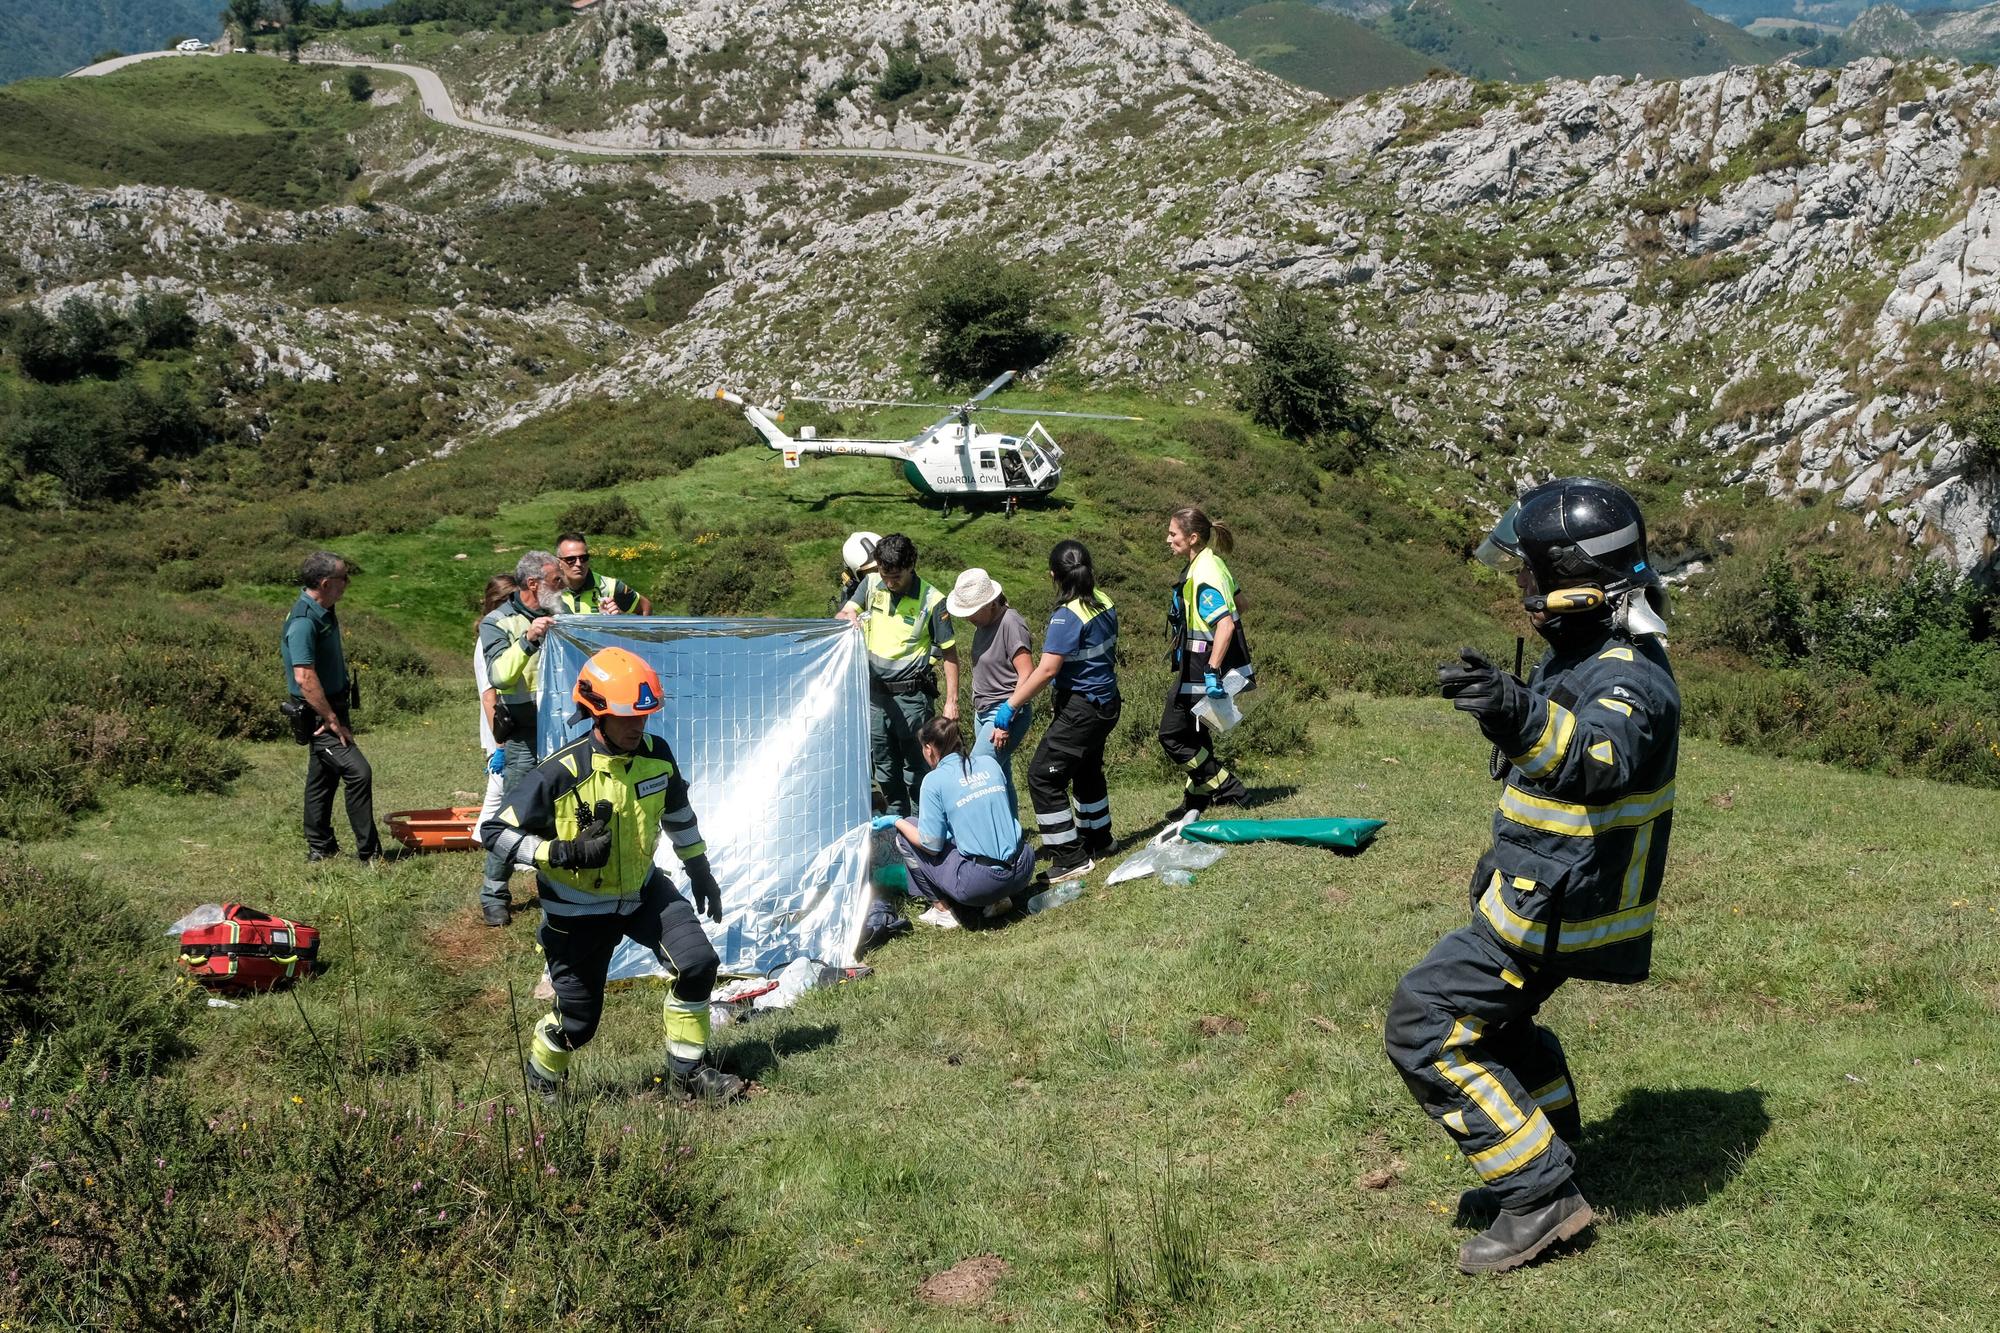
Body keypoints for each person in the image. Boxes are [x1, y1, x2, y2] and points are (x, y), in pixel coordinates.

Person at [1383, 477, 1679, 1276]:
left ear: (1581, 583)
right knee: (1499, 1026)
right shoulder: (1582, 652)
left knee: (1423, 1022)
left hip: (1560, 908)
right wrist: (1514, 701)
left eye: (1533, 575)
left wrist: (1516, 711)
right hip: (1540, 895)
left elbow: (1597, 759)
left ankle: (1540, 1192)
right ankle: (1549, 1148)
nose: (1524, 590)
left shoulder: (1631, 676)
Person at [481, 646, 744, 1103]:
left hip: (643, 892)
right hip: (576, 911)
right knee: (577, 1024)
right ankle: (543, 1080)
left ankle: (688, 1074)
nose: (637, 726)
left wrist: (699, 869)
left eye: (644, 716)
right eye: (625, 717)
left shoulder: (656, 755)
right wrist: (559, 852)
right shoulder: (559, 772)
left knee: (698, 964)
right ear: (595, 714)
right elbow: (493, 831)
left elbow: (678, 815)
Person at [990, 541, 1121, 882]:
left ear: (1054, 575)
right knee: (1087, 769)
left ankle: (1070, 856)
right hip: (1106, 702)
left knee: (1042, 776)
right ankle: (1098, 839)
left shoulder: (1066, 616)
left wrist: (1011, 706)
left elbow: (1047, 670)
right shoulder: (1104, 601)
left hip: (1081, 707)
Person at [836, 533, 959, 817]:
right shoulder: (870, 584)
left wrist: (952, 701)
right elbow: (844, 613)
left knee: (916, 766)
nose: (890, 583)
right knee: (884, 765)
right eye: (885, 574)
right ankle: (895, 824)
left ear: (911, 565)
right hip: (875, 698)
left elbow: (950, 654)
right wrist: (847, 617)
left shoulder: (933, 600)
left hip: (912, 698)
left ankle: (922, 824)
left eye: (896, 577)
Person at [874, 715, 1036, 929]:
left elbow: (931, 846)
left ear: (929, 748)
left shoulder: (933, 781)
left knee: (907, 832)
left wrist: (896, 822)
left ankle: (942, 911)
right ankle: (999, 898)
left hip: (982, 882)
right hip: (1023, 866)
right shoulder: (989, 763)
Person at [476, 550, 564, 926]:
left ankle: (558, 885)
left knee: (562, 810)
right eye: (556, 580)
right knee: (515, 812)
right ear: (534, 584)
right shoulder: (497, 622)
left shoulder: (564, 614)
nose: (563, 586)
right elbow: (499, 676)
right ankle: (494, 891)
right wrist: (528, 639)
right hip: (525, 733)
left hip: (563, 727)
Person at [283, 551, 381, 864]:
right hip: (319, 714)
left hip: (331, 707)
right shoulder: (303, 622)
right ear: (326, 583)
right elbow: (304, 677)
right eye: (343, 578)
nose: (347, 584)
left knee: (322, 778)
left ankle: (320, 847)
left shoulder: (324, 607)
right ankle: (369, 854)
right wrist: (332, 718)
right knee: (358, 771)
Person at [1159, 505, 1251, 822]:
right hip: (1201, 662)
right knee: (1197, 734)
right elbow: (1242, 604)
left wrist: (1212, 669)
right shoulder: (1215, 563)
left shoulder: (1203, 574)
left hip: (1202, 666)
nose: (1167, 539)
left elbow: (1225, 624)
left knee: (1171, 735)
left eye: (1173, 534)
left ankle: (1228, 787)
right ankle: (1195, 800)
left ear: (1192, 537)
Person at [946, 567, 1032, 807]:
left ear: (991, 603)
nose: (967, 617)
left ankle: (984, 834)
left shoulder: (1010, 622)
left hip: (1004, 711)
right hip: (983, 712)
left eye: (972, 611)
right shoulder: (983, 626)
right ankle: (1011, 835)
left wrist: (1008, 716)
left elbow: (1027, 674)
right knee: (1001, 778)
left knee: (976, 774)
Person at [470, 574, 518, 850]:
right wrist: (501, 744)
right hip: (499, 725)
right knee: (501, 786)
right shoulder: (486, 642)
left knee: (500, 788)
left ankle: (483, 835)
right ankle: (485, 836)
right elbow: (489, 696)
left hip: (506, 723)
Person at [556, 531, 651, 615]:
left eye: (583, 558)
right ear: (559, 563)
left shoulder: (611, 587)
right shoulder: (549, 589)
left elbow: (645, 607)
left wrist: (619, 621)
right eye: (570, 559)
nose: (579, 563)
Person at [833, 531, 881, 615]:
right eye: (872, 572)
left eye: (885, 566)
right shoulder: (850, 595)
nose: (881, 576)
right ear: (852, 574)